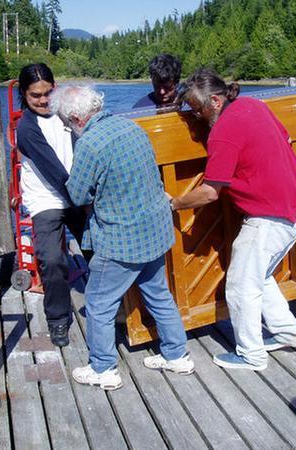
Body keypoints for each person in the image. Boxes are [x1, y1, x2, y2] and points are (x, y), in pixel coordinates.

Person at [171, 69, 296, 371]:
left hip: (270, 217)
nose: (196, 116)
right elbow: (286, 139)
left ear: (214, 100)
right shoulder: (254, 106)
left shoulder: (223, 131)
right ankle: (288, 332)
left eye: (197, 109)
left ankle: (251, 355)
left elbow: (211, 192)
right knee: (259, 277)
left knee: (239, 286)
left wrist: (176, 203)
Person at [50, 85, 194, 391]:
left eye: (65, 123)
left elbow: (76, 194)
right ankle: (176, 354)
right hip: (154, 230)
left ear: (76, 118)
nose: (67, 129)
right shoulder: (132, 127)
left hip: (121, 240)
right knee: (158, 294)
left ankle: (103, 368)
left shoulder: (90, 144)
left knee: (99, 303)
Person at [15, 63, 88, 347]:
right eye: (36, 95)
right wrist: (84, 201)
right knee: (52, 260)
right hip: (48, 198)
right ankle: (58, 319)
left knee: (99, 249)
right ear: (25, 94)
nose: (44, 100)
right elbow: (54, 172)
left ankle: (113, 306)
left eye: (48, 92)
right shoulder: (26, 128)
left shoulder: (66, 115)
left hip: (76, 191)